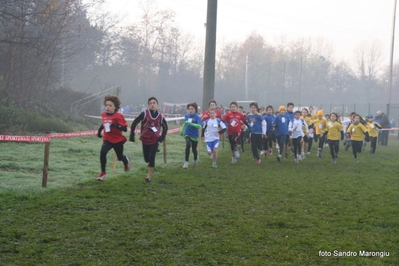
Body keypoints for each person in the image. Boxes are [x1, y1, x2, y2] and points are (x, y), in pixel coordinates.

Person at [130, 97, 168, 183]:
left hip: (155, 139)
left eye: (154, 103)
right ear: (148, 105)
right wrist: (132, 134)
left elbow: (165, 127)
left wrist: (162, 137)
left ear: (157, 105)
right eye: (150, 103)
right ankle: (154, 151)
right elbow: (135, 122)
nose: (152, 104)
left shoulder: (160, 116)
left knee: (151, 157)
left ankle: (148, 177)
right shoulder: (144, 114)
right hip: (145, 139)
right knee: (146, 159)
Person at [97, 95, 130, 181]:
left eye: (110, 105)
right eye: (106, 105)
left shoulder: (119, 116)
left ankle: (125, 160)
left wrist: (116, 125)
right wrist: (99, 131)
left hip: (117, 139)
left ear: (115, 107)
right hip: (108, 138)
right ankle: (103, 173)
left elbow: (125, 129)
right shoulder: (103, 114)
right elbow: (103, 123)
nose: (108, 107)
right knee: (103, 152)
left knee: (120, 157)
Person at [180, 102, 203, 168]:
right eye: (189, 109)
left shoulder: (197, 117)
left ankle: (195, 159)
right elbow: (185, 124)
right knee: (188, 145)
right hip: (187, 133)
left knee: (194, 150)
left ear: (195, 109)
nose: (190, 110)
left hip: (195, 135)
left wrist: (192, 124)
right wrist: (182, 131)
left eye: (192, 109)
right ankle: (186, 162)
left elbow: (199, 126)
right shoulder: (186, 116)